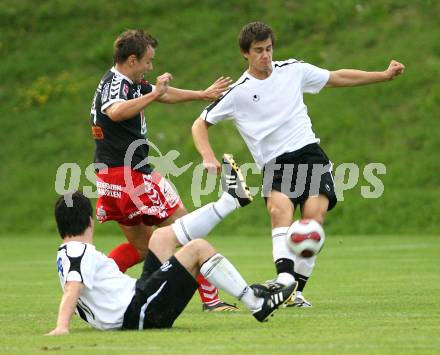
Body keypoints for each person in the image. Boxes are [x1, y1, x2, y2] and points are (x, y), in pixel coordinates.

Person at [192, 21, 405, 307]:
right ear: (245, 53)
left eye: (268, 49)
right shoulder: (238, 91)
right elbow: (200, 124)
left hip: (309, 153)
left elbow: (336, 77)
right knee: (279, 211)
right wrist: (207, 155)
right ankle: (284, 282)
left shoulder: (292, 70)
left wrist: (382, 75)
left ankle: (296, 292)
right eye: (258, 51)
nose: (265, 55)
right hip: (275, 163)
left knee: (313, 219)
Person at [90, 29, 234, 310]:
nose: (150, 67)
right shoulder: (116, 85)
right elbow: (116, 112)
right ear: (132, 60)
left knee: (143, 248)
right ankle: (211, 300)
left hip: (113, 176)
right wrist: (155, 92)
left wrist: (201, 94)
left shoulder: (129, 81)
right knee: (187, 229)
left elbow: (161, 96)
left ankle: (91, 286)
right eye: (148, 61)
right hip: (132, 174)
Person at [47, 175, 296, 335]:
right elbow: (73, 287)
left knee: (161, 236)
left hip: (138, 300)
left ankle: (229, 202)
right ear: (90, 221)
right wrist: (62, 327)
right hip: (139, 311)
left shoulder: (67, 252)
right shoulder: (78, 252)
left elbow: (75, 287)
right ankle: (256, 303)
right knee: (198, 248)